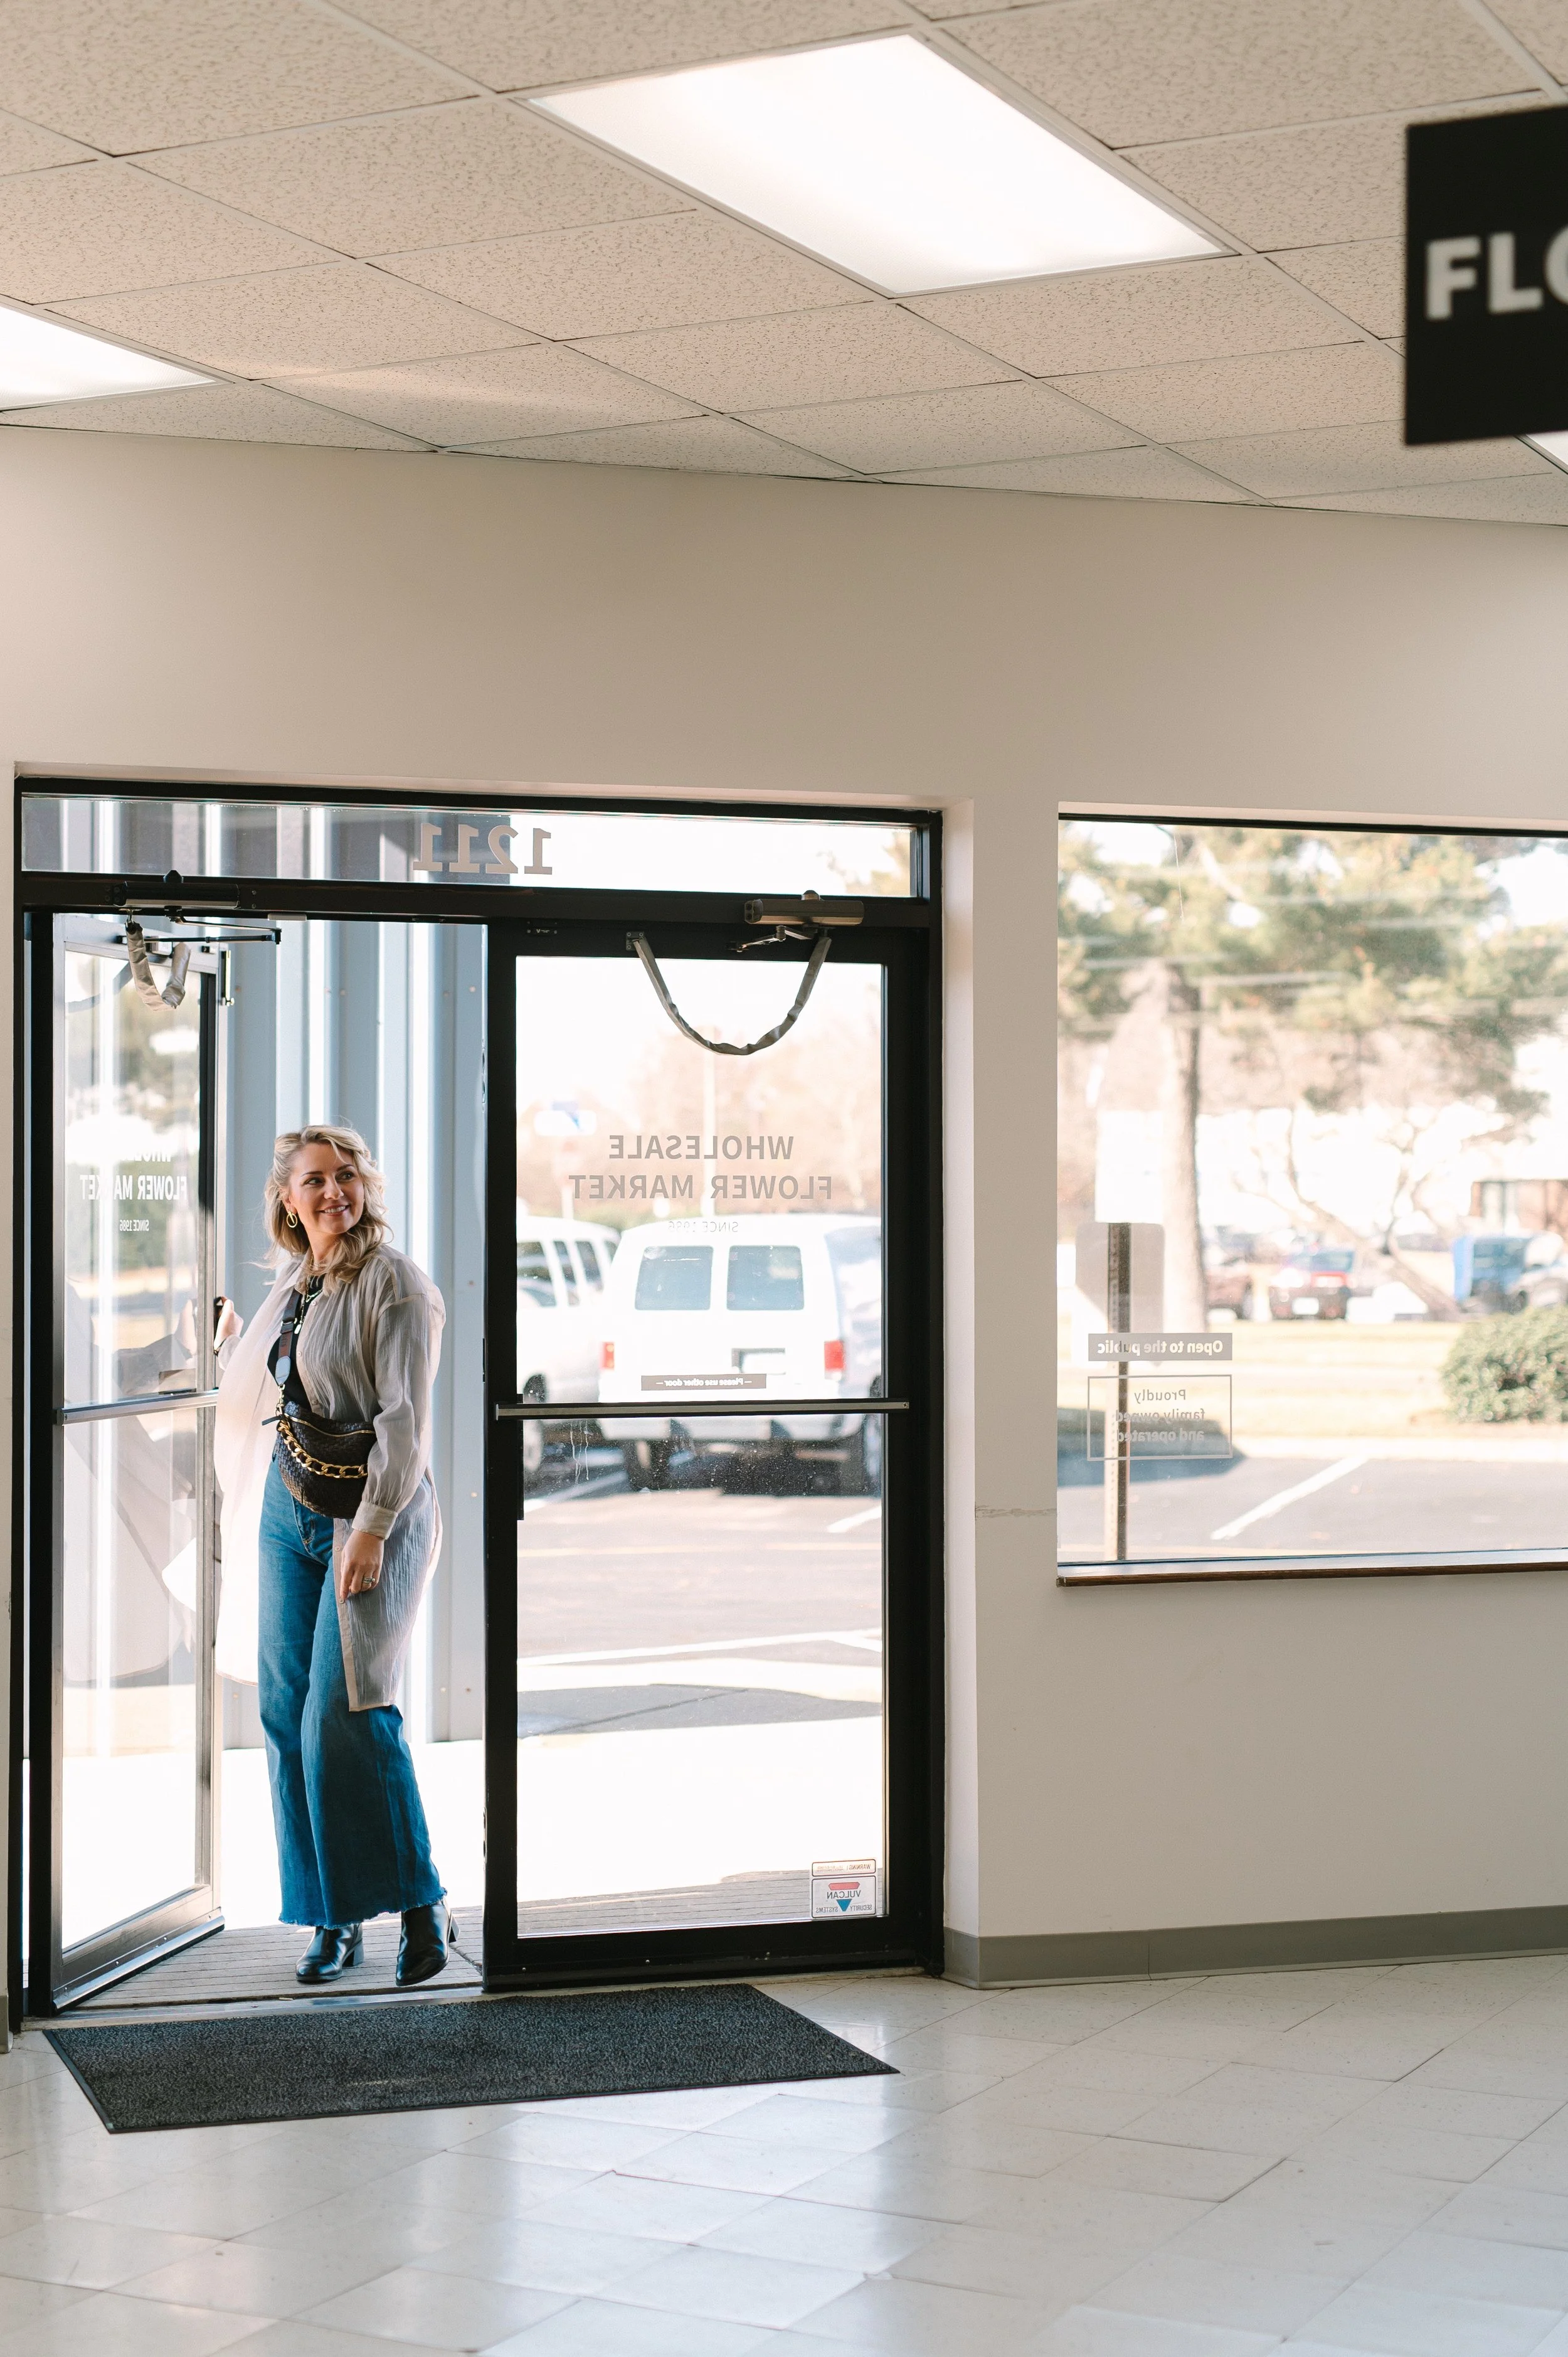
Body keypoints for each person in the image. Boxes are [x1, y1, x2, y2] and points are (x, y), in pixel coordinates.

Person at [214, 1124, 453, 1987]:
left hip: (371, 1515)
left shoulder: (396, 1286)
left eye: (346, 1176)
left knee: (347, 1710)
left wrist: (373, 1529)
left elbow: (406, 1427)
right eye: (314, 1179)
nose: (333, 1193)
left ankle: (421, 1906)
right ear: (288, 1197)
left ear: (366, 1187)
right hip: (291, 1509)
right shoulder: (297, 1281)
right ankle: (332, 1913)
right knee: (285, 1713)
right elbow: (285, 1384)